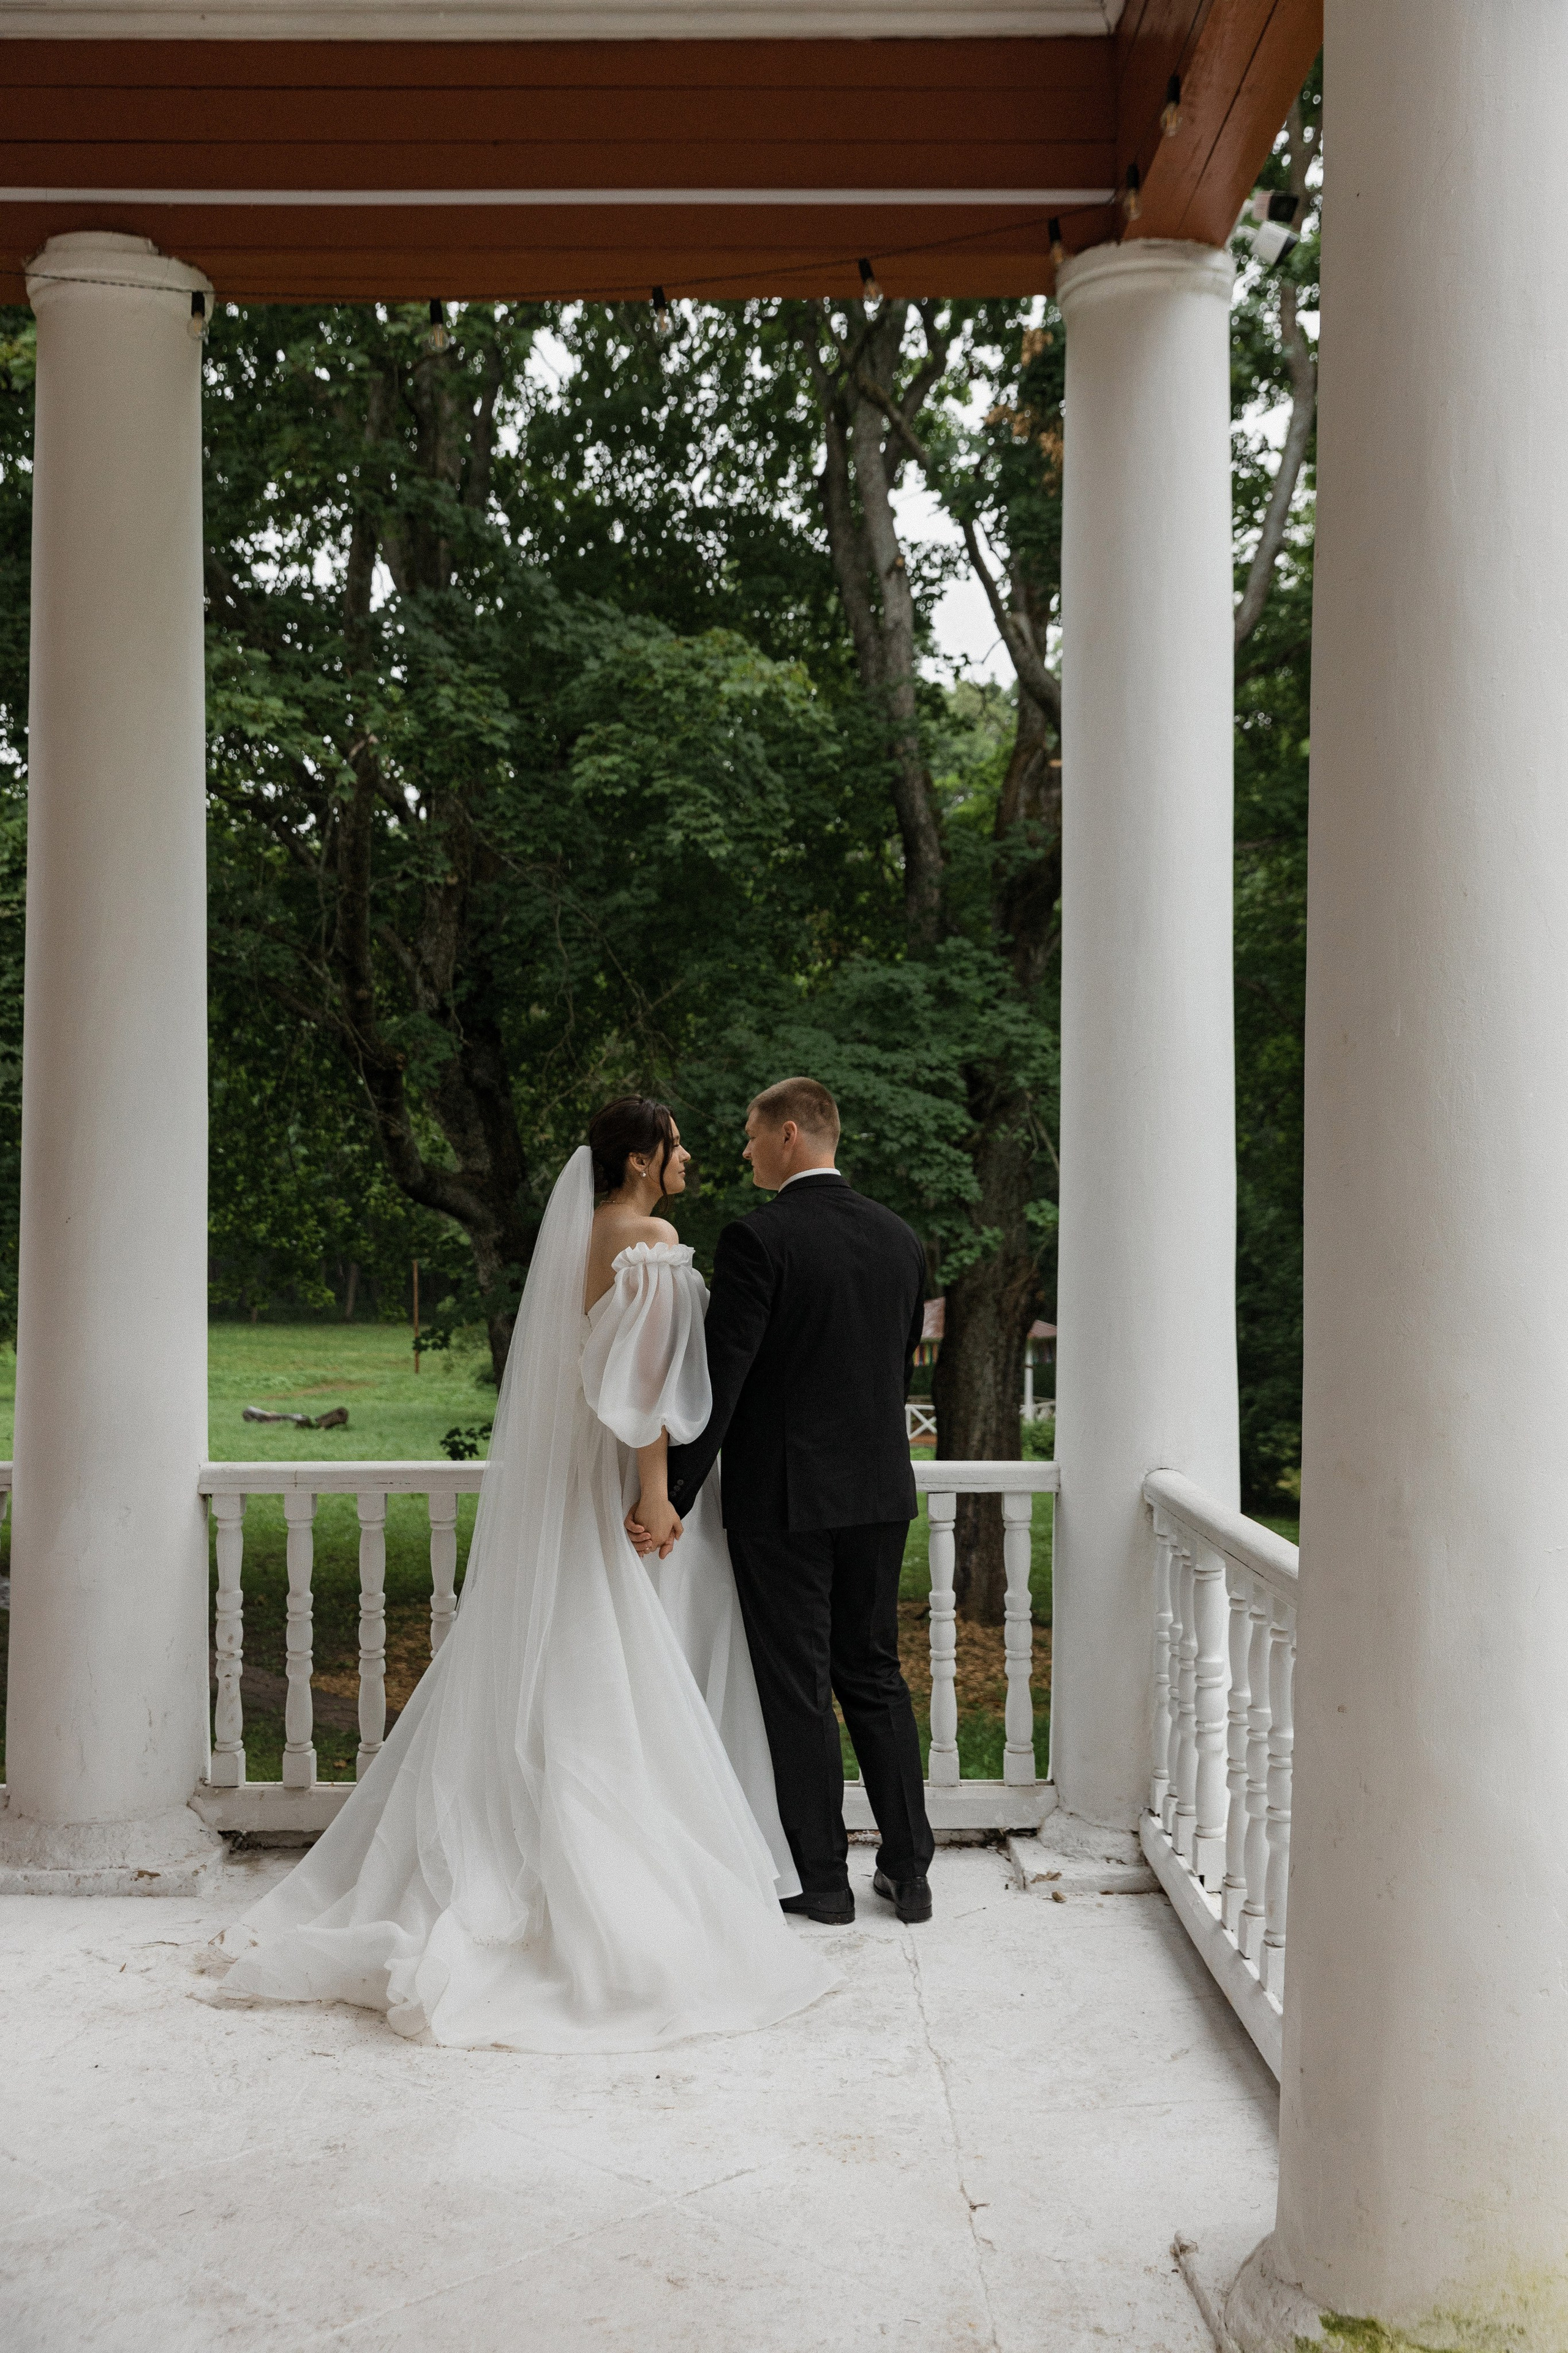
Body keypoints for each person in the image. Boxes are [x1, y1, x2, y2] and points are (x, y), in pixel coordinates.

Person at [216, 1101, 836, 2052]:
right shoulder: (650, 1242)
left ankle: (527, 1835)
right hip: (619, 1477)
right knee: (618, 1659)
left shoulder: (583, 1239)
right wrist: (657, 1491)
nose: (688, 1155)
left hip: (568, 1475)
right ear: (643, 1160)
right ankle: (604, 1867)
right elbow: (647, 1386)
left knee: (565, 1653)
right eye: (675, 1144)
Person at [636, 1076, 935, 1928]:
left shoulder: (758, 1238)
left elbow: (722, 1380)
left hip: (784, 1500)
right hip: (879, 1492)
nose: (743, 1150)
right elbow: (894, 1366)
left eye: (751, 1133)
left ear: (791, 1134)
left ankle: (824, 1880)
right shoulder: (901, 1238)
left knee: (798, 1684)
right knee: (874, 1673)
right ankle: (910, 1873)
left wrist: (671, 1492)